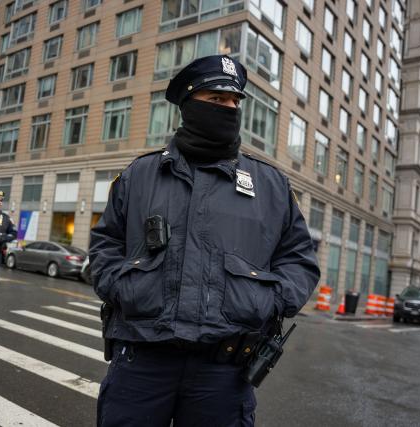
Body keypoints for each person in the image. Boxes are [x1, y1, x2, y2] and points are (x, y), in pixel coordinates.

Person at [89, 55, 320, 426]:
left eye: (234, 102)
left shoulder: (271, 185)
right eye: (216, 100)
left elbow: (299, 260)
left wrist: (267, 300)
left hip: (224, 370)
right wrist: (126, 287)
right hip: (141, 360)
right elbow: (104, 247)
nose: (228, 109)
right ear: (188, 105)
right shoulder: (139, 175)